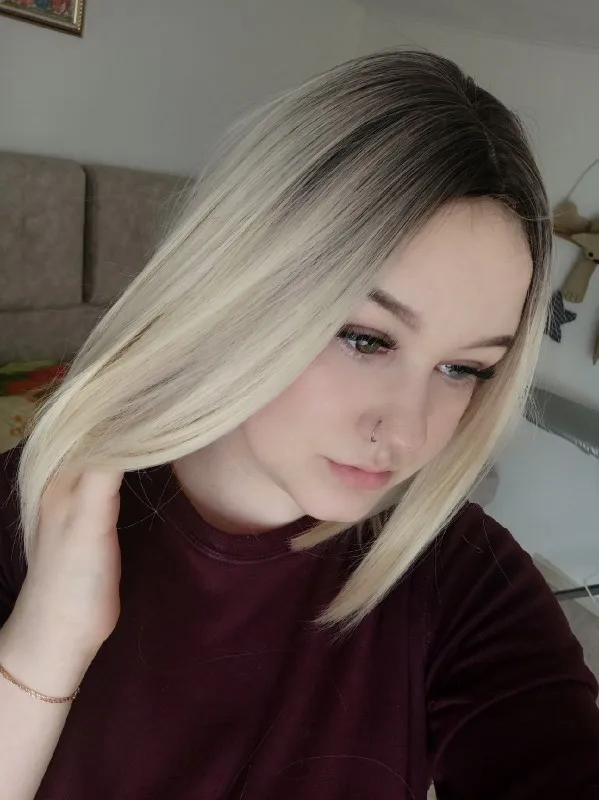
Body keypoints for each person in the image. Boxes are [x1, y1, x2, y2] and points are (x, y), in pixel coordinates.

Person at [0, 49, 598, 800]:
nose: (407, 434)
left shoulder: (464, 579)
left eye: (463, 368)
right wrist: (46, 641)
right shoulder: (26, 510)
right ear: (242, 287)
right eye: (366, 339)